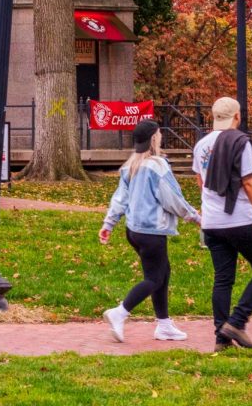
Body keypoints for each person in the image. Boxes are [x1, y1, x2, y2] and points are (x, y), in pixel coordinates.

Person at [100, 120, 201, 343]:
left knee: (162, 273)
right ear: (154, 138)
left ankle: (164, 325)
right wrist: (194, 216)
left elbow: (119, 199)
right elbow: (172, 198)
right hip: (151, 231)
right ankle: (120, 312)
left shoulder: (129, 166)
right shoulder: (157, 165)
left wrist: (109, 224)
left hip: (133, 231)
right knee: (155, 278)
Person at [194, 97, 252, 351]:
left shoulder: (201, 145)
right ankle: (237, 321)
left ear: (213, 117)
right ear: (237, 117)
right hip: (241, 219)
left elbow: (200, 181)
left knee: (223, 279)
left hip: (212, 222)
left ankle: (222, 338)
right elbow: (249, 182)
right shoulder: (241, 143)